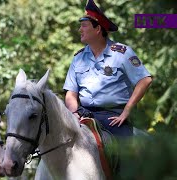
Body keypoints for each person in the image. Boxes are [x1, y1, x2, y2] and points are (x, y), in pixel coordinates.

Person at [63, 0, 152, 137]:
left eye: (84, 26)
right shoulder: (78, 58)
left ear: (98, 29)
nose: (80, 29)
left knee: (123, 155)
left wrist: (127, 111)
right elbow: (71, 93)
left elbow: (145, 80)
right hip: (84, 117)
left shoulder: (122, 53)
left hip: (114, 118)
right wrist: (74, 114)